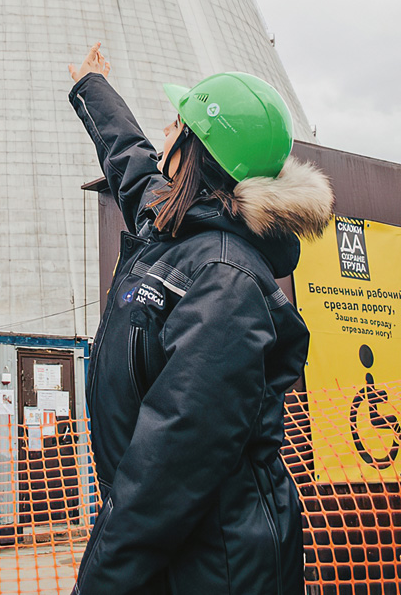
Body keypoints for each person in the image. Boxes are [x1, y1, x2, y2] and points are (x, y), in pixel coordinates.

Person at [67, 43, 334, 595]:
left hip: (216, 568)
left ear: (194, 151)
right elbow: (132, 163)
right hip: (175, 555)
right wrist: (92, 85)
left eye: (175, 125)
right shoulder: (178, 232)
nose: (165, 135)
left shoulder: (226, 281)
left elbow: (169, 466)